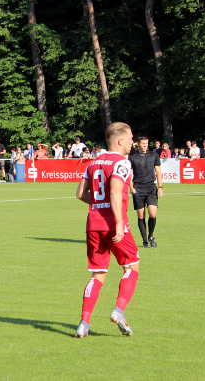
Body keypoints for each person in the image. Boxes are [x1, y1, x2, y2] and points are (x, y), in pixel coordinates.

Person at [74, 122, 139, 338]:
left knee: (98, 274)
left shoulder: (92, 163)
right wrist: (119, 222)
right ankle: (118, 311)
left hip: (93, 224)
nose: (132, 142)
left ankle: (84, 322)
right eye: (130, 138)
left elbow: (80, 194)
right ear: (120, 141)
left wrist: (98, 204)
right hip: (113, 223)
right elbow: (114, 192)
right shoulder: (122, 163)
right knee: (131, 268)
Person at [129, 136, 163, 248]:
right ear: (138, 144)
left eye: (147, 143)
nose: (145, 145)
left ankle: (151, 235)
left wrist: (160, 187)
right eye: (143, 143)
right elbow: (128, 173)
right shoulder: (132, 157)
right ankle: (145, 240)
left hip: (151, 188)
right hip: (138, 188)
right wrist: (131, 187)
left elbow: (158, 172)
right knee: (141, 216)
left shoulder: (154, 155)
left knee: (152, 214)